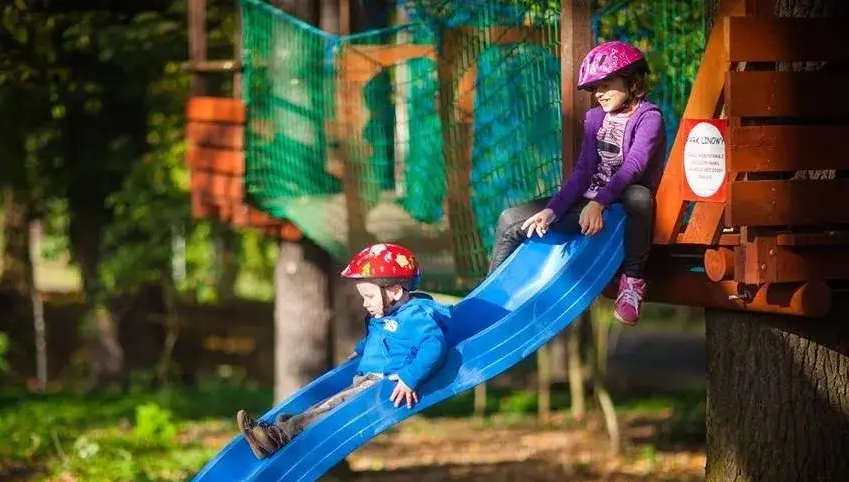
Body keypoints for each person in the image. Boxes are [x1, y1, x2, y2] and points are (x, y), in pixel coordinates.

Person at [487, 41, 667, 325]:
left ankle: (632, 283)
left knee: (640, 196)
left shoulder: (649, 117)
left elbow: (633, 166)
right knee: (510, 220)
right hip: (589, 202)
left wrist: (598, 203)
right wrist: (552, 210)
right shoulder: (595, 118)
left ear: (632, 83)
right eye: (595, 88)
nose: (599, 94)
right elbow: (583, 171)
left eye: (606, 85)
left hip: (621, 205)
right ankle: (489, 303)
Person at [237, 243, 452, 460]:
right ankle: (281, 429)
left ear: (395, 291)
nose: (365, 303)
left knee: (333, 409)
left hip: (381, 386)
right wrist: (361, 349)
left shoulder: (414, 315)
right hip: (368, 380)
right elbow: (380, 336)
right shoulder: (388, 316)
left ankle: (278, 437)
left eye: (369, 296)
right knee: (326, 405)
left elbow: (434, 345)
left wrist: (410, 377)